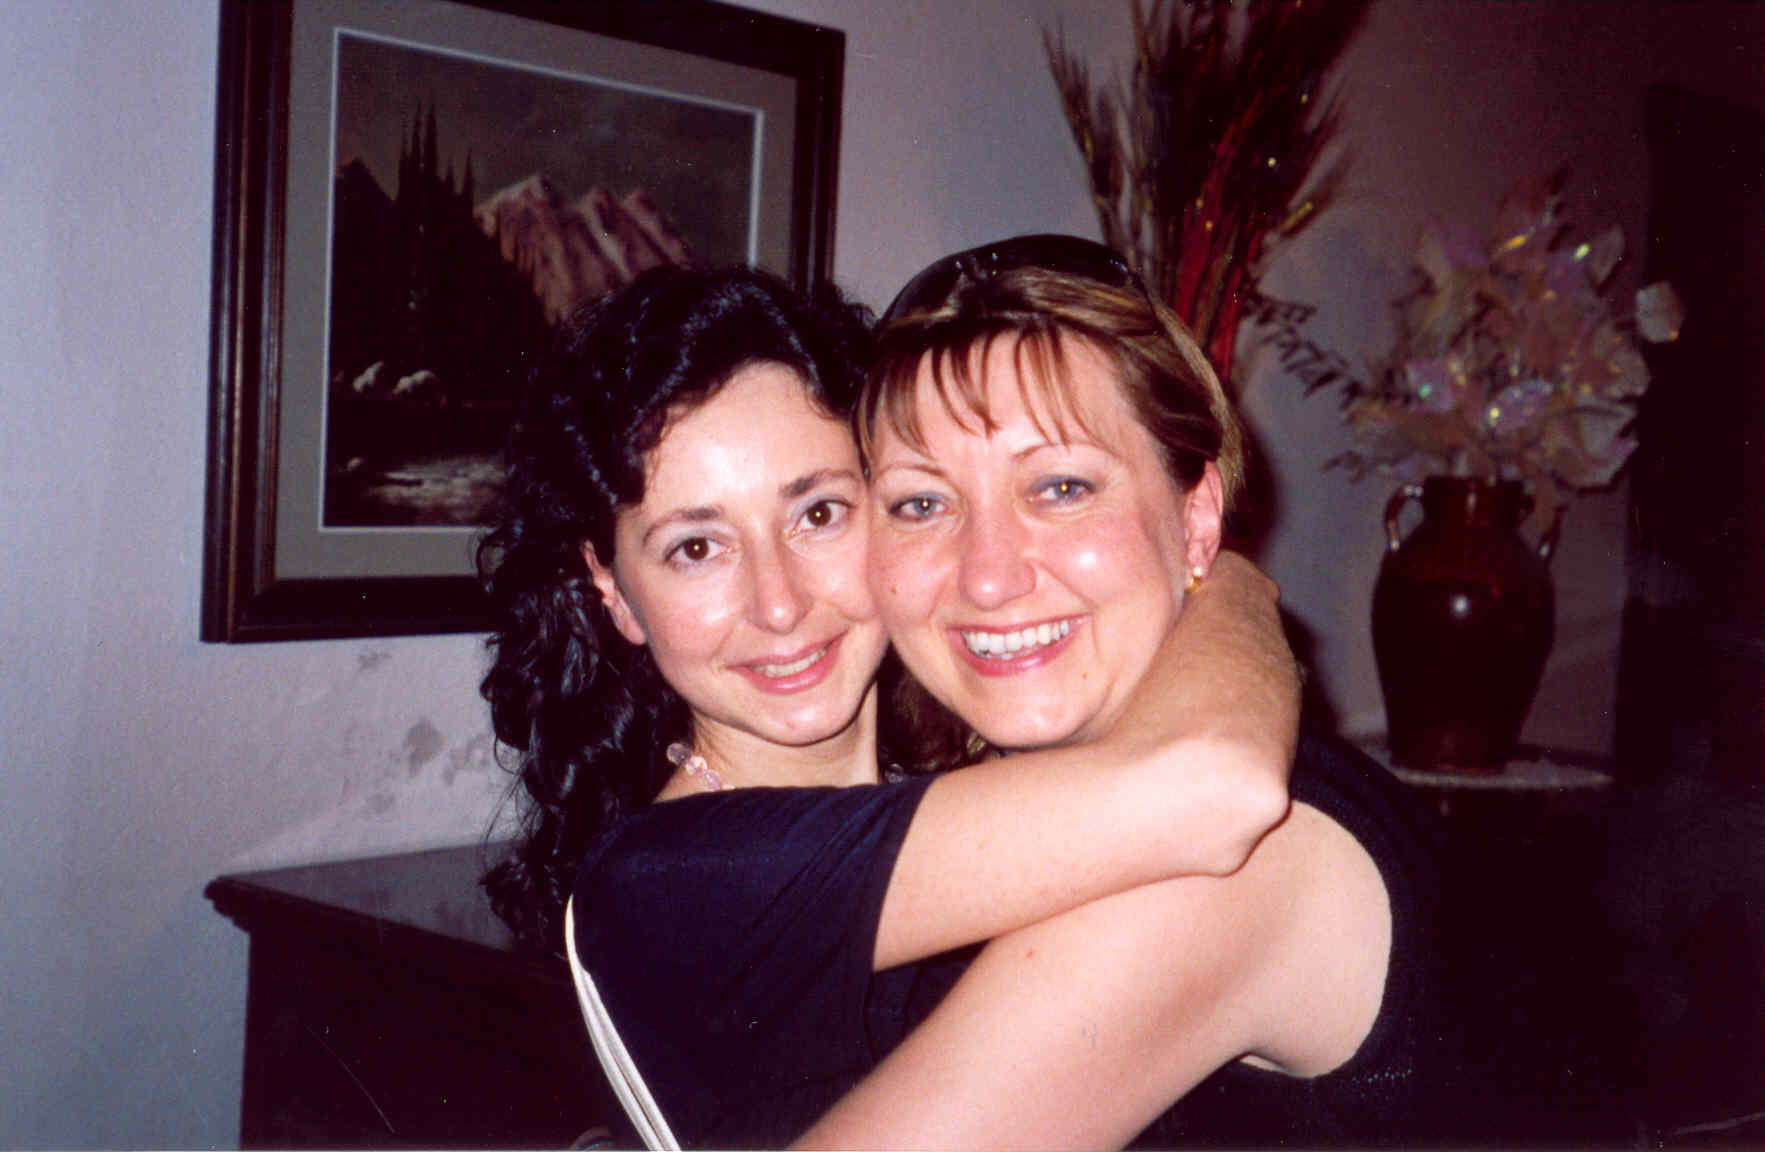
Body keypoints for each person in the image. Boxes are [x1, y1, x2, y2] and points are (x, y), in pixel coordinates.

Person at [478, 263, 1302, 1149]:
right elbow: (1215, 785)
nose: (779, 605)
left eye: (818, 514)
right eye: (696, 548)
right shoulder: (667, 883)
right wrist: (1229, 578)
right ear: (611, 588)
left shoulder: (966, 800)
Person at [799, 234, 1448, 1148]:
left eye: (1060, 487)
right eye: (921, 503)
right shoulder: (1028, 810)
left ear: (1196, 518)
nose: (986, 576)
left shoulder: (1229, 865)